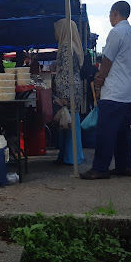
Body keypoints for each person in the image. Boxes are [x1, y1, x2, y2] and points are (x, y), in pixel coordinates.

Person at [81, 1, 131, 180]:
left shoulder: (116, 32)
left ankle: (100, 168)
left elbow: (107, 60)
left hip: (114, 91)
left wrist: (99, 80)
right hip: (128, 91)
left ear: (115, 13)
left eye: (110, 14)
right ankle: (126, 165)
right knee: (122, 132)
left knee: (105, 132)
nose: (109, 18)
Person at [53, 18, 84, 165]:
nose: (55, 34)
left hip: (68, 89)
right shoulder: (73, 45)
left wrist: (64, 96)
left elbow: (66, 72)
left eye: (56, 30)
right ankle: (72, 155)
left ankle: (71, 157)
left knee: (69, 123)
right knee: (72, 121)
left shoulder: (66, 47)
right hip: (74, 87)